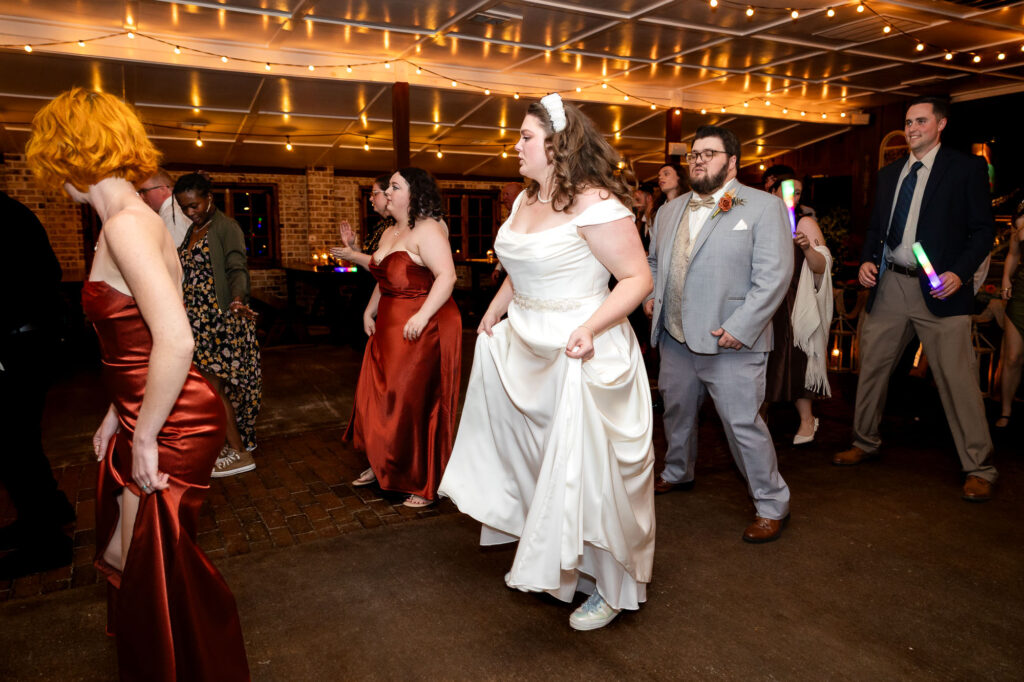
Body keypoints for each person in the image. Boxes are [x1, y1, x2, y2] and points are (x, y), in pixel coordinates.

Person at [25, 87, 249, 680]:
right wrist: (114, 413)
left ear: (71, 152)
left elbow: (176, 340)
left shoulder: (127, 225)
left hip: (171, 421)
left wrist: (144, 434)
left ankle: (192, 662)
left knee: (152, 566)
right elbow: (139, 339)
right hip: (149, 409)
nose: (51, 173)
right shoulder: (130, 222)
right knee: (131, 559)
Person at [438, 93, 655, 631]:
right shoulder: (523, 202)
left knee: (592, 475)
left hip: (582, 351)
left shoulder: (597, 204)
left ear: (557, 147)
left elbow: (637, 278)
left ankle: (613, 586)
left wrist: (589, 328)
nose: (516, 146)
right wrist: (492, 313)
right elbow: (520, 268)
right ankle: (571, 564)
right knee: (541, 465)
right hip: (527, 350)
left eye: (525, 137)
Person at [833, 96, 996, 502]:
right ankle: (864, 441)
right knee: (871, 366)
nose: (912, 128)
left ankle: (979, 467)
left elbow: (982, 231)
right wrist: (868, 262)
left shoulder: (965, 169)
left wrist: (958, 274)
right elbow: (876, 229)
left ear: (941, 124)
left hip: (940, 289)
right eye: (908, 122)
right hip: (890, 285)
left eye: (921, 121)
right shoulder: (890, 174)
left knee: (957, 380)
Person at [644, 124, 793, 543]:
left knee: (742, 426)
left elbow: (774, 277)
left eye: (709, 154)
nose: (698, 160)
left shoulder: (763, 207)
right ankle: (678, 471)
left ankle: (771, 503)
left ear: (732, 162)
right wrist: (651, 297)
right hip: (675, 338)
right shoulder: (669, 210)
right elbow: (654, 263)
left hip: (732, 343)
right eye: (694, 154)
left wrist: (741, 328)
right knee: (676, 414)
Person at [346, 167, 461, 508]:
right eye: (389, 187)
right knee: (380, 397)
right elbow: (386, 278)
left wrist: (422, 316)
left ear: (415, 193)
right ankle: (385, 462)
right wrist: (370, 310)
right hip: (391, 324)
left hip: (424, 324)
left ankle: (423, 480)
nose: (388, 192)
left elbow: (447, 276)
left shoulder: (427, 229)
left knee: (412, 401)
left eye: (395, 186)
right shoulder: (389, 232)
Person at [0, 190, 76, 580]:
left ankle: (46, 540)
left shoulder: (8, 214)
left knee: (14, 442)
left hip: (22, 342)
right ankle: (48, 512)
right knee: (20, 440)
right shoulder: (15, 211)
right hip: (33, 339)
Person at [173, 172, 262, 479]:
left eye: (194, 205)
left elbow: (237, 266)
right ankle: (231, 445)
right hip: (199, 321)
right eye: (184, 207)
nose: (190, 212)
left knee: (214, 388)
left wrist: (238, 298)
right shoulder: (195, 230)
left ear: (209, 197)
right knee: (212, 388)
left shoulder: (226, 227)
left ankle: (239, 453)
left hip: (221, 319)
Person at [764, 174, 833, 444]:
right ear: (771, 191)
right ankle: (760, 415)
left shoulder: (804, 222)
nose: (795, 196)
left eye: (799, 192)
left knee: (795, 357)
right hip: (765, 299)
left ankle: (807, 418)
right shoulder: (763, 219)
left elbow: (822, 266)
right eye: (789, 190)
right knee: (763, 361)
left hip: (793, 299)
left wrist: (806, 248)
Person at [996, 200, 1024, 428]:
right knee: (1013, 356)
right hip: (1022, 292)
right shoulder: (1022, 211)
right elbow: (1014, 254)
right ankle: (1005, 411)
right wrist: (1006, 279)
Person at [330, 173, 394, 268]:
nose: (371, 198)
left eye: (375, 194)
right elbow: (367, 259)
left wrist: (352, 256)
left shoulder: (397, 225)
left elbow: (383, 265)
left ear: (388, 194)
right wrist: (352, 245)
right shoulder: (380, 225)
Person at [135, 168, 189, 248]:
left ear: (163, 189)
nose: (141, 196)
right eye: (139, 192)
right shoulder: (170, 210)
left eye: (144, 191)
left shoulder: (172, 214)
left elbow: (176, 254)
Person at [491, 181, 523, 283]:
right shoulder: (510, 216)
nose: (503, 198)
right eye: (503, 194)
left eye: (507, 194)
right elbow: (506, 247)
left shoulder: (524, 217)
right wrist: (498, 268)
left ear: (517, 195)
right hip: (508, 273)